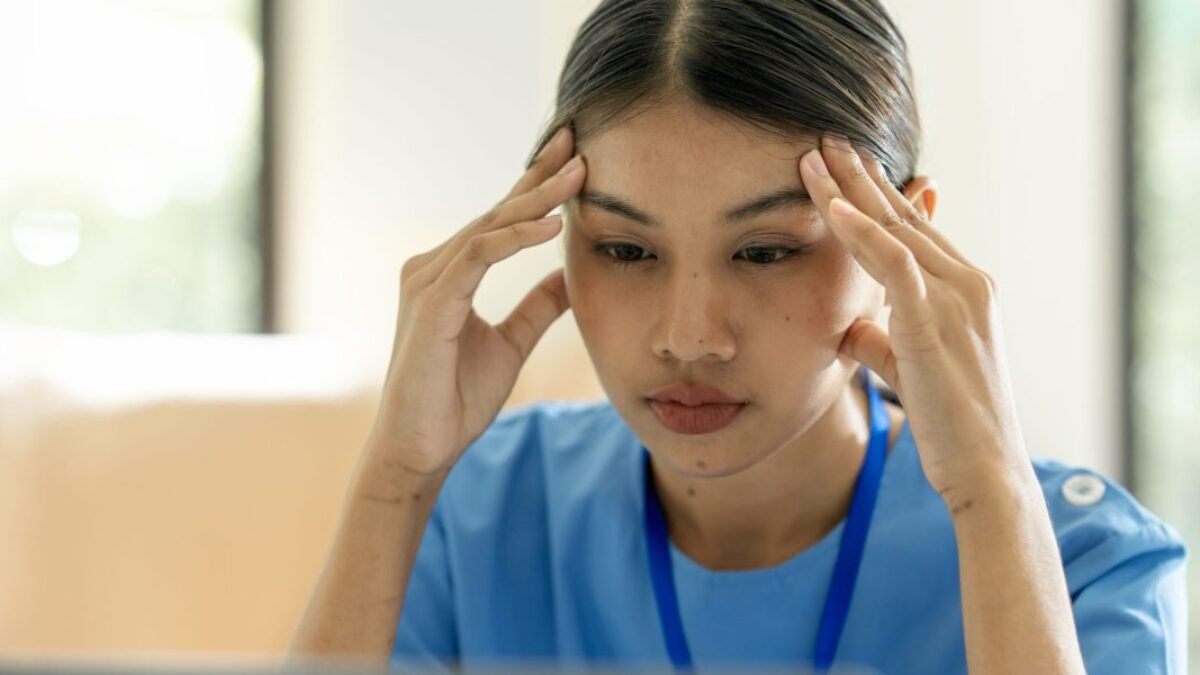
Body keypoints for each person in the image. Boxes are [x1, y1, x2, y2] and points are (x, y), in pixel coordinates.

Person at [286, 1, 1189, 673]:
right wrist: (395, 485)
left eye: (763, 250)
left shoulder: (1086, 564)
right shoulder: (476, 515)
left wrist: (992, 498)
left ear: (904, 240)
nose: (689, 337)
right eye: (626, 247)